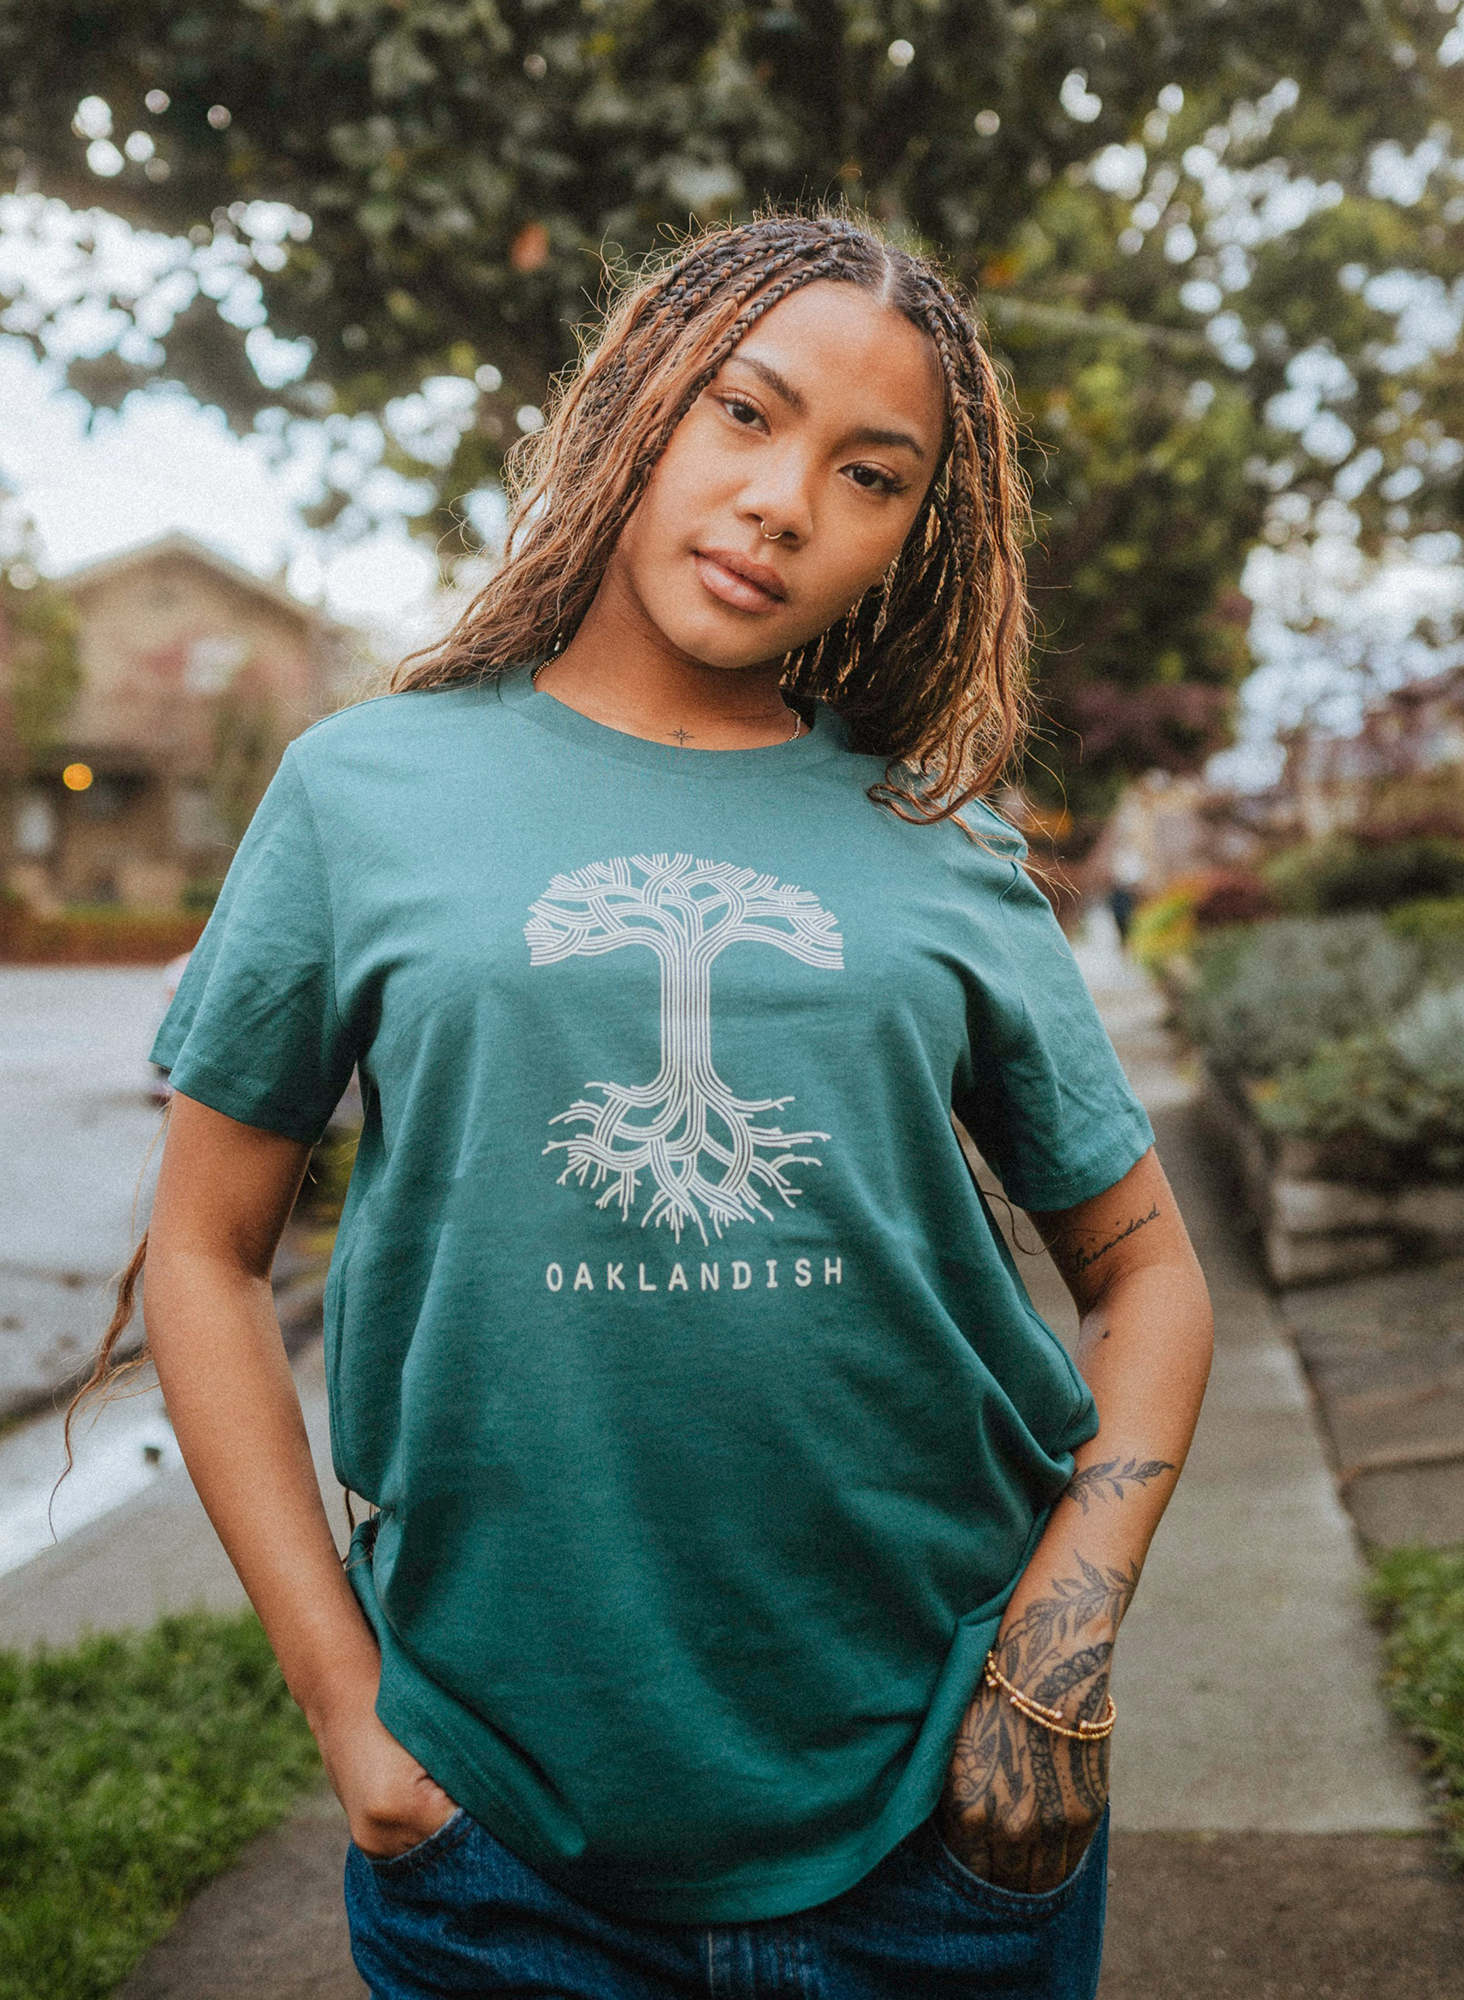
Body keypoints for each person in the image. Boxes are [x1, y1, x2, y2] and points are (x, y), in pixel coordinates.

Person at [77, 213, 1213, 1997]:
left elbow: (1150, 1282)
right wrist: (351, 1715)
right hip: (502, 1849)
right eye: (744, 415)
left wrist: (1053, 1661)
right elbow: (204, 1253)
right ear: (634, 406)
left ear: (914, 538)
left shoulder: (937, 844)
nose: (782, 503)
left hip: (936, 1829)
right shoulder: (366, 793)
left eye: (870, 476)